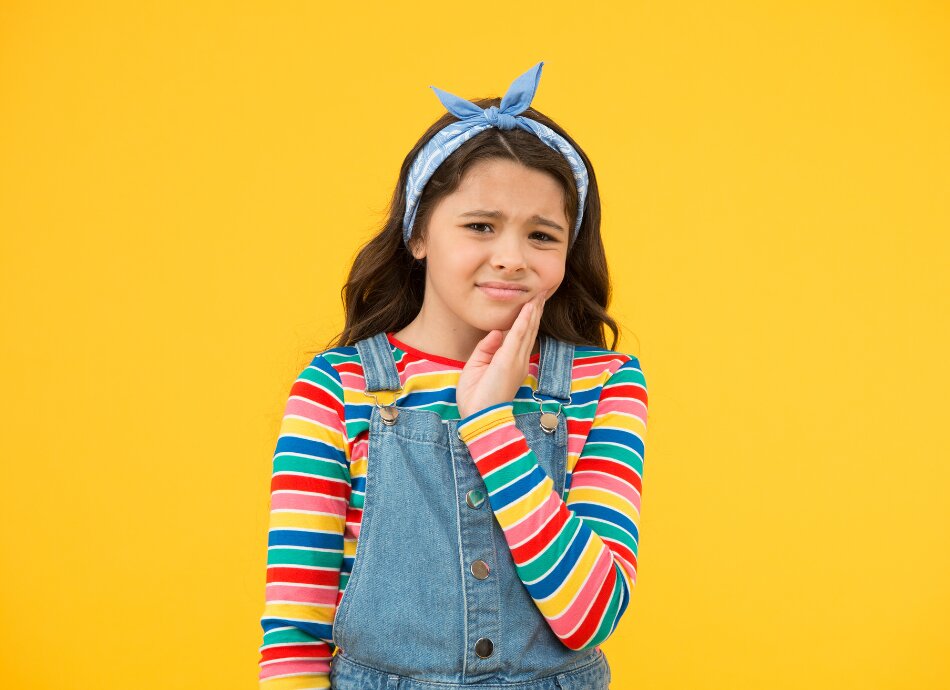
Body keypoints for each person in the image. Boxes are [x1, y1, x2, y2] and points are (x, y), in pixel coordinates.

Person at [257, 61, 649, 690]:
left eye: (542, 235)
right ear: (418, 232)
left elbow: (590, 614)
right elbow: (294, 634)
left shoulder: (605, 386)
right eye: (480, 226)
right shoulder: (335, 389)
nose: (511, 258)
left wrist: (491, 423)